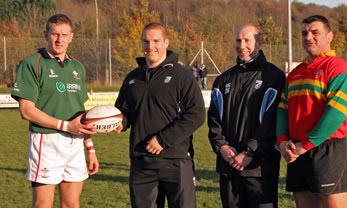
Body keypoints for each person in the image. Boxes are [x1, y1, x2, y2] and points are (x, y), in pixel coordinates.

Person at [11, 14, 99, 207]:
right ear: (46, 35)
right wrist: (66, 126)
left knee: (71, 204)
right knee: (43, 204)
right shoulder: (31, 64)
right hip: (46, 141)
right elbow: (26, 111)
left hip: (75, 142)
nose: (59, 39)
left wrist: (90, 148)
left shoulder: (77, 67)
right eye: (55, 34)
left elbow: (79, 112)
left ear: (71, 37)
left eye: (64, 34)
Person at [114, 22, 205, 208]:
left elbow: (196, 114)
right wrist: (118, 122)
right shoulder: (132, 78)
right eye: (146, 41)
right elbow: (124, 112)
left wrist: (163, 140)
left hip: (176, 161)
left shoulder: (182, 76)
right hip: (141, 163)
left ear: (166, 42)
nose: (150, 46)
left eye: (156, 41)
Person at [276, 15, 347, 208]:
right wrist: (282, 143)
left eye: (315, 32)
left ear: (329, 36)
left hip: (327, 150)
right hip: (296, 150)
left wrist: (306, 144)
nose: (308, 37)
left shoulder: (339, 69)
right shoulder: (295, 73)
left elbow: (335, 114)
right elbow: (282, 111)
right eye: (304, 33)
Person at [208, 24, 286, 208]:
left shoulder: (274, 77)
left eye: (247, 40)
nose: (241, 45)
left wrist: (250, 151)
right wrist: (222, 146)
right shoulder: (223, 79)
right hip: (228, 167)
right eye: (238, 40)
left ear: (259, 42)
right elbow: (213, 118)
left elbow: (273, 121)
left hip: (260, 169)